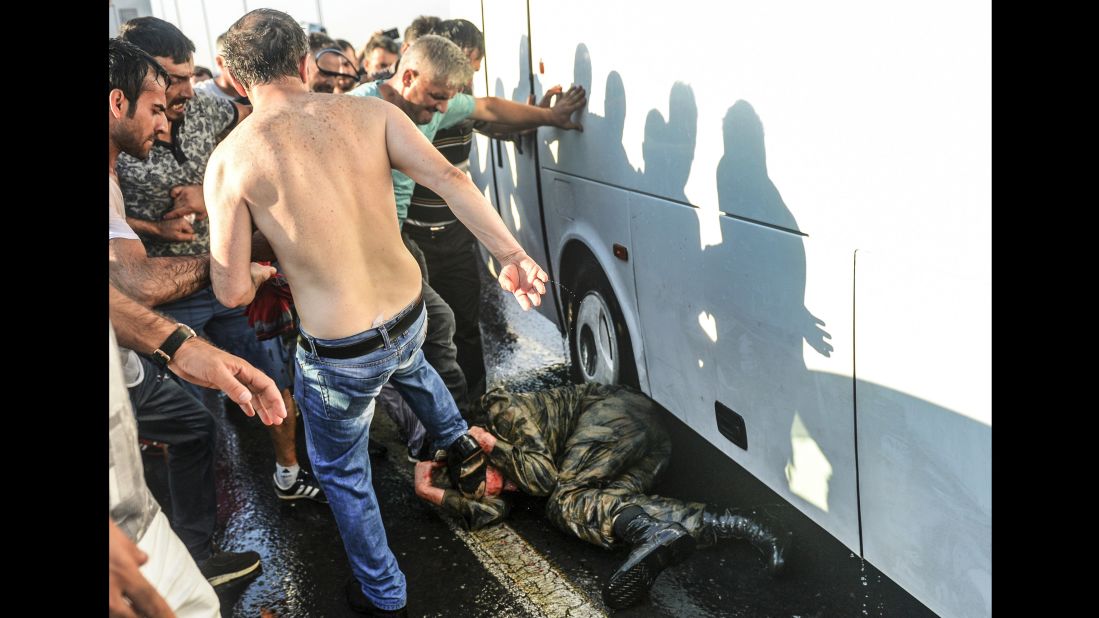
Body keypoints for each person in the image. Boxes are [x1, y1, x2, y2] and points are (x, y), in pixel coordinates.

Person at [208, 9, 551, 615]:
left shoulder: (233, 160)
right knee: (410, 359)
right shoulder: (373, 112)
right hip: (407, 306)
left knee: (342, 473)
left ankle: (383, 594)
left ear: (235, 81)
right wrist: (513, 255)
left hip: (341, 350)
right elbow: (450, 178)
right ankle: (453, 437)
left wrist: (269, 265)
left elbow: (232, 292)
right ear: (305, 63)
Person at [116, 17, 326, 505]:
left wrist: (209, 200)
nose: (186, 89)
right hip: (163, 294)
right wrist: (157, 229)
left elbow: (260, 157)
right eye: (173, 77)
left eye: (191, 75)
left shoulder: (215, 111)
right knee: (194, 411)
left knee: (271, 377)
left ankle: (289, 473)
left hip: (230, 277)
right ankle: (206, 517)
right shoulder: (118, 134)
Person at [109, 36, 269, 584]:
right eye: (156, 109)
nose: (165, 124)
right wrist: (225, 265)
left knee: (194, 428)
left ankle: (194, 560)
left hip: (128, 356)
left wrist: (178, 347)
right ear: (116, 103)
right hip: (120, 372)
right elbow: (131, 281)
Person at [413, 383, 792, 609]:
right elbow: (489, 511)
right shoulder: (485, 476)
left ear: (478, 452)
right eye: (491, 492)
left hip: (621, 415)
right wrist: (429, 492)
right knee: (606, 505)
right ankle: (744, 523)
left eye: (496, 481)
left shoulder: (500, 409)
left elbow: (543, 479)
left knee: (562, 499)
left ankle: (649, 534)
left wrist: (493, 444)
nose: (503, 492)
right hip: (638, 459)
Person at [109, 283, 288, 618]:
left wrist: (179, 346)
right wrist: (216, 267)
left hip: (129, 378)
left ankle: (199, 553)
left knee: (194, 427)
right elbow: (131, 273)